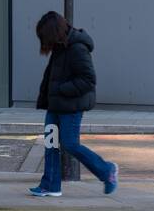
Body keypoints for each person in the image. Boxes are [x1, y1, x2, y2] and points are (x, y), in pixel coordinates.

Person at [30, 11, 119, 197]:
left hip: (71, 106)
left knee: (69, 144)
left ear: (54, 33)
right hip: (55, 105)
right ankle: (50, 185)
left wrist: (62, 89)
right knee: (51, 143)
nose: (44, 42)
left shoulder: (77, 48)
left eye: (45, 37)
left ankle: (106, 170)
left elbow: (88, 79)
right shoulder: (60, 47)